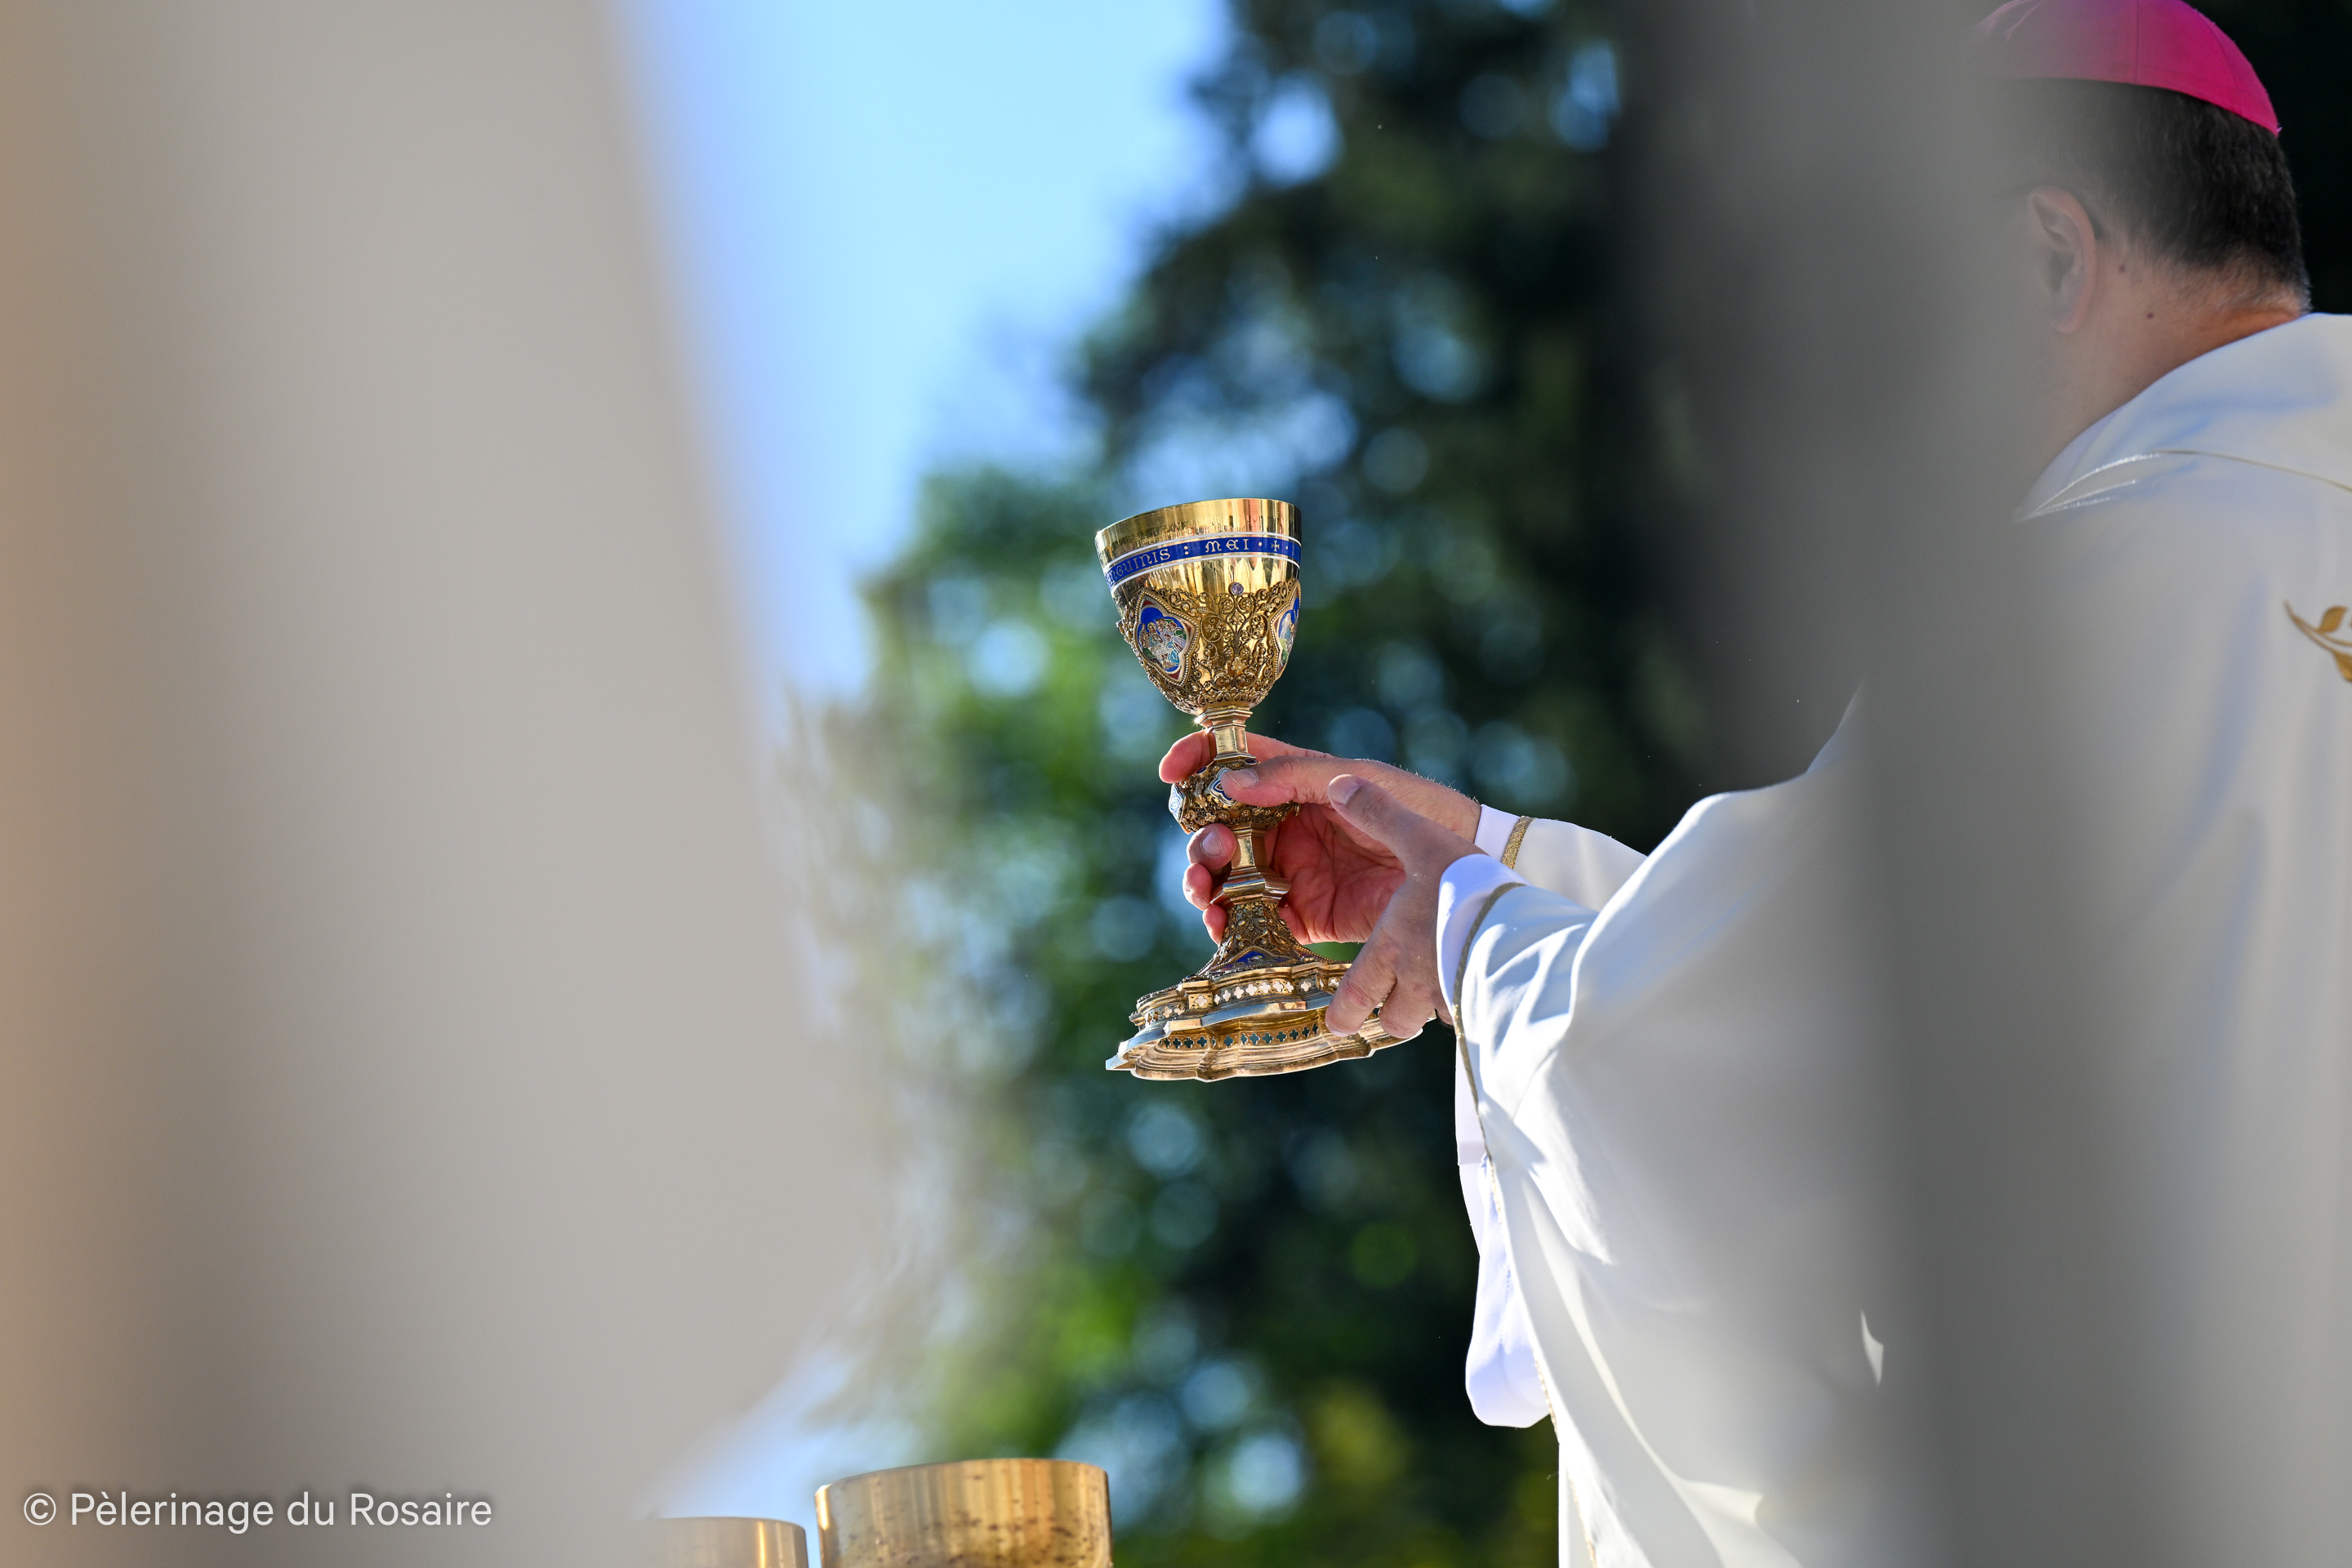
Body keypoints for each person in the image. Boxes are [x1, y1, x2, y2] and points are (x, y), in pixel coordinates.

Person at [1163, 2, 2350, 1561]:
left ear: (2043, 257)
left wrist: (1476, 931)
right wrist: (1506, 875)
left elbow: (1687, 1073)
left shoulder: (2058, 614)